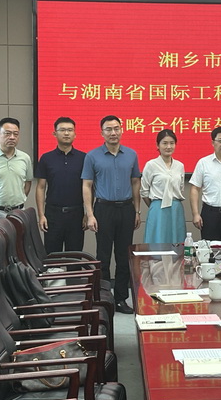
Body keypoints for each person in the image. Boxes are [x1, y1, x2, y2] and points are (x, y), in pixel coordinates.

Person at [82, 115, 141, 314]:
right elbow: (87, 185)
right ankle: (104, 299)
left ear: (122, 130)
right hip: (103, 209)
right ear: (102, 133)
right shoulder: (92, 156)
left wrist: (137, 210)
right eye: (108, 129)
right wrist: (90, 214)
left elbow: (135, 183)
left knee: (124, 257)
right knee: (103, 256)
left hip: (126, 209)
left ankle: (121, 299)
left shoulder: (131, 154)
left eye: (116, 128)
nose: (113, 132)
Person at [35, 117, 86, 254]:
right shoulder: (46, 158)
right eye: (62, 130)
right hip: (53, 214)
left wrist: (88, 213)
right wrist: (41, 215)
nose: (66, 133)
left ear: (75, 134)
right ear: (54, 133)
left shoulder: (84, 158)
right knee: (52, 256)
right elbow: (40, 187)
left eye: (70, 130)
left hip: (77, 214)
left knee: (75, 256)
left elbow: (89, 187)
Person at [140, 129, 186, 244]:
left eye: (172, 143)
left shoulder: (180, 166)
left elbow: (180, 188)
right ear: (158, 145)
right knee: (157, 241)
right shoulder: (151, 165)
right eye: (164, 143)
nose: (168, 146)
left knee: (177, 242)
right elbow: (144, 191)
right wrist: (155, 205)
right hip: (158, 208)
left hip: (176, 209)